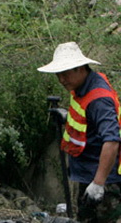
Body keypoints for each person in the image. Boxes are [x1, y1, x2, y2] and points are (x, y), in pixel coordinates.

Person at [38, 41, 121, 222]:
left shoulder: (99, 99)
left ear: (80, 68)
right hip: (88, 173)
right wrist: (66, 117)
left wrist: (99, 183)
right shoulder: (82, 86)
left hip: (104, 180)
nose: (61, 79)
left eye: (65, 73)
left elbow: (112, 141)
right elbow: (88, 121)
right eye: (58, 74)